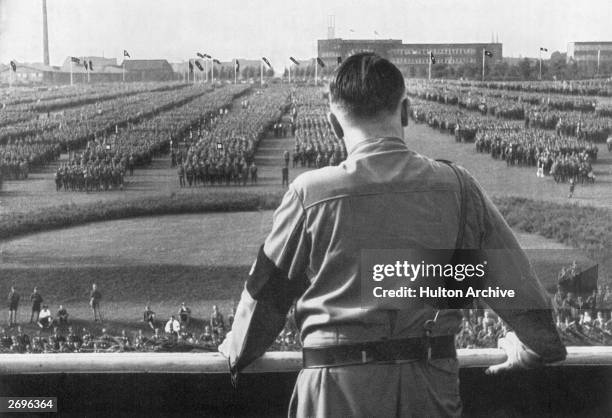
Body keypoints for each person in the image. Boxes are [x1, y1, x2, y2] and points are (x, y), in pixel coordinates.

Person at [219, 53, 566, 417]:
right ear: (406, 111)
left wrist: (236, 347)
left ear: (334, 125)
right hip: (430, 390)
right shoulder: (460, 187)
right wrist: (533, 347)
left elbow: (265, 299)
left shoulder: (309, 194)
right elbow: (524, 302)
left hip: (334, 392)